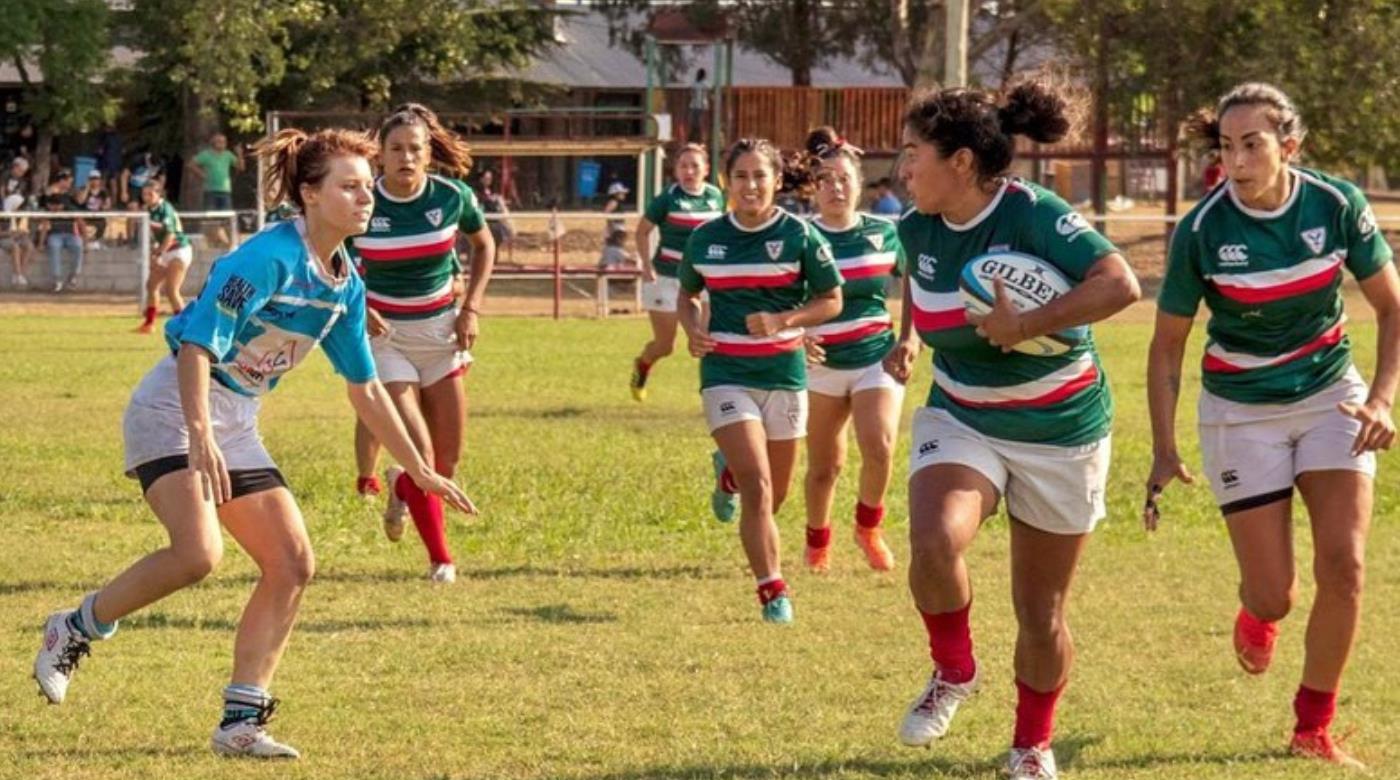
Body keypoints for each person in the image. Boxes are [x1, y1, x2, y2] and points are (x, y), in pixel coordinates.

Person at [31, 127, 476, 758]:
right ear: (311, 194)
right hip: (173, 408)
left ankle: (241, 722)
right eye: (350, 187)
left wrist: (419, 470)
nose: (366, 198)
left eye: (367, 187)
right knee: (198, 554)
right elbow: (196, 346)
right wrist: (200, 434)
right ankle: (74, 628)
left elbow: (366, 391)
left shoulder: (345, 286)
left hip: (235, 420)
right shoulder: (267, 258)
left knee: (291, 563)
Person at [883, 83, 1140, 780]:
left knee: (1041, 612)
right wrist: (908, 337)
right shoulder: (916, 226)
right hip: (962, 414)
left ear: (962, 162)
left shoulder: (1032, 213)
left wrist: (1024, 324)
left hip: (1060, 429)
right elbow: (921, 287)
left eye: (914, 153)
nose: (903, 168)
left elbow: (1120, 284)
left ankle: (1032, 744)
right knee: (934, 541)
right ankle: (954, 669)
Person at [1144, 83, 1397, 770]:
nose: (1237, 161)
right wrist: (1164, 448)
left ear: (1290, 146)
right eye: (1227, 147)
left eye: (1252, 145)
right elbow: (1167, 345)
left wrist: (1381, 400)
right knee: (1274, 594)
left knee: (1345, 566)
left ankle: (1312, 728)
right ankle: (1257, 612)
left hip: (1330, 398)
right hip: (1240, 411)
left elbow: (1392, 308)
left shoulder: (1336, 205)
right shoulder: (1202, 230)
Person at [677, 137, 843, 624]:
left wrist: (784, 320)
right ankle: (773, 591)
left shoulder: (800, 236)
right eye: (741, 176)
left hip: (784, 374)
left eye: (760, 176)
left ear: (777, 180)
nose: (750, 186)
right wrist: (692, 329)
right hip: (726, 372)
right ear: (726, 181)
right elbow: (686, 295)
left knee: (776, 494)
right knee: (759, 485)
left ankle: (726, 474)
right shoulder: (706, 238)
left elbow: (832, 299)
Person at [349, 103, 496, 584]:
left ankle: (400, 485)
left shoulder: (452, 196)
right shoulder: (362, 201)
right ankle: (441, 560)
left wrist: (471, 307)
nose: (406, 157)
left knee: (447, 459)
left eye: (415, 149)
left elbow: (484, 244)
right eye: (396, 149)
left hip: (441, 335)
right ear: (380, 155)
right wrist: (358, 302)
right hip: (385, 339)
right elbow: (328, 258)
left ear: (429, 154)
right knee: (423, 453)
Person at [796, 127, 903, 573]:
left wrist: (911, 339)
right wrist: (797, 335)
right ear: (813, 188)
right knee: (826, 467)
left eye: (844, 179)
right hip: (821, 363)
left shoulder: (886, 232)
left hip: (875, 355)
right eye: (826, 180)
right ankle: (817, 543)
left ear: (860, 185)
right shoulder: (799, 236)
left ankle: (868, 528)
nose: (836, 188)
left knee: (879, 445)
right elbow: (776, 298)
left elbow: (920, 287)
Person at [629, 143, 725, 401]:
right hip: (667, 278)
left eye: (695, 165)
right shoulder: (668, 198)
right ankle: (642, 365)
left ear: (706, 169)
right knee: (665, 346)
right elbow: (642, 231)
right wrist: (646, 265)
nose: (689, 171)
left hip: (705, 279)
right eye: (683, 166)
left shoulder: (716, 196)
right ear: (676, 170)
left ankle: (717, 394)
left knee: (707, 339)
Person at [136, 178, 194, 334]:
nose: (146, 197)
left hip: (178, 250)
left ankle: (185, 328)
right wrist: (155, 252)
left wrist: (158, 254)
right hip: (165, 250)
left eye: (150, 194)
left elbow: (170, 236)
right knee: (151, 285)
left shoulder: (165, 208)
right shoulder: (149, 210)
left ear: (158, 194)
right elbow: (157, 236)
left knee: (171, 290)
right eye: (144, 194)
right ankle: (149, 324)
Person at [189, 133, 243, 246]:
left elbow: (241, 167)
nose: (222, 144)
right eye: (219, 141)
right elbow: (191, 164)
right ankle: (216, 242)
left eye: (224, 142)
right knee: (212, 219)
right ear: (213, 143)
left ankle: (229, 243)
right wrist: (202, 174)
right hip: (210, 191)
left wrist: (239, 154)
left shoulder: (228, 155)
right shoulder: (206, 155)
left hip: (225, 191)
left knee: (227, 219)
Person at [41, 169, 84, 293]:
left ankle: (73, 277)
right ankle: (57, 280)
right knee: (54, 246)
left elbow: (80, 218)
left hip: (70, 233)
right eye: (68, 181)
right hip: (55, 233)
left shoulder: (69, 199)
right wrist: (40, 242)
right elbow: (45, 221)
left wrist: (86, 241)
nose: (70, 184)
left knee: (78, 245)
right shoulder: (50, 194)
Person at [688, 68, 710, 144]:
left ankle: (699, 139)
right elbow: (692, 93)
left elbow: (692, 93)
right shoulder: (700, 84)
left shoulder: (701, 84)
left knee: (698, 123)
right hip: (698, 106)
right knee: (696, 123)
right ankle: (696, 139)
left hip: (699, 106)